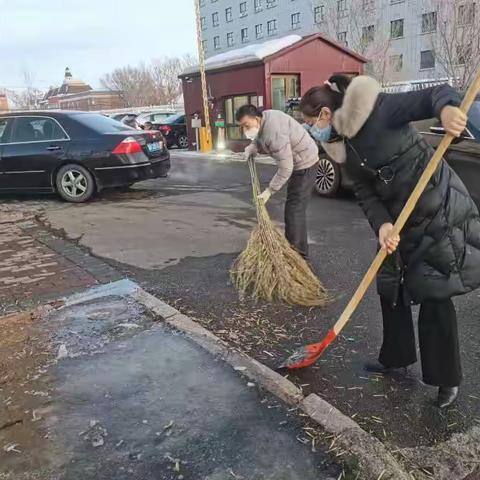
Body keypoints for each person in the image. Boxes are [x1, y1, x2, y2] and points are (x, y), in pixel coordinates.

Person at [299, 74, 480, 408]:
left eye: (311, 122)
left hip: (435, 209)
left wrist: (445, 111)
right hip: (397, 221)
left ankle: (445, 380)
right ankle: (396, 358)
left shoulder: (379, 108)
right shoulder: (341, 145)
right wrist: (382, 225)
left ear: (325, 114)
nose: (312, 129)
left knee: (434, 291)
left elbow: (435, 93)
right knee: (390, 286)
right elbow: (365, 191)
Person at [236, 105, 319, 258]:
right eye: (242, 127)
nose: (245, 130)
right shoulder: (265, 119)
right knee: (294, 208)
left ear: (256, 118)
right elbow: (259, 137)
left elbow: (286, 168)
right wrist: (252, 147)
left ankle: (299, 257)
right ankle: (295, 251)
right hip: (297, 160)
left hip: (305, 162)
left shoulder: (274, 134)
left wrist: (269, 191)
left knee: (294, 210)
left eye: (246, 126)